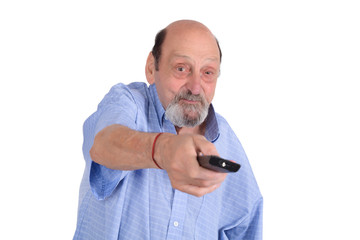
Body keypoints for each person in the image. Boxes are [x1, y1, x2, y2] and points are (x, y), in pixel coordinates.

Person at [73, 20, 262, 240]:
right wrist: (163, 149)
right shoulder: (127, 103)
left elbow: (247, 225)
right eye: (181, 69)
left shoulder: (227, 141)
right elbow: (104, 146)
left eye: (208, 73)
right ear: (152, 68)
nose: (195, 87)